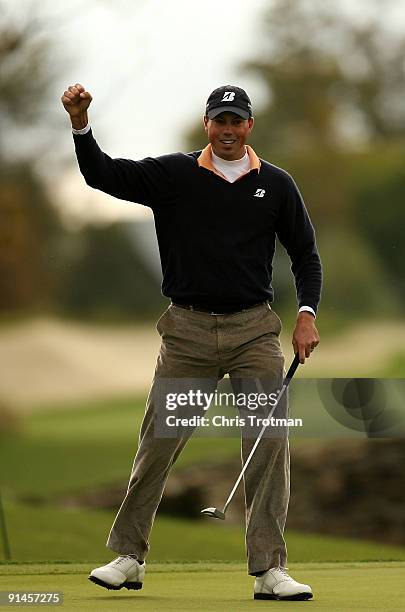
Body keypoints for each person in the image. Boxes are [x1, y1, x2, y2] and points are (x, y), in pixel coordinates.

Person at [61, 83, 322, 601]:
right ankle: (129, 557)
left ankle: (269, 570)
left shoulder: (277, 184)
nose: (228, 130)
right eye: (219, 121)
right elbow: (102, 174)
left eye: (237, 121)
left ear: (249, 126)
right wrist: (81, 124)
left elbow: (306, 255)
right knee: (157, 444)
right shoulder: (174, 175)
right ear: (207, 124)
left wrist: (307, 315)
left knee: (268, 444)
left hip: (254, 331)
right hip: (188, 333)